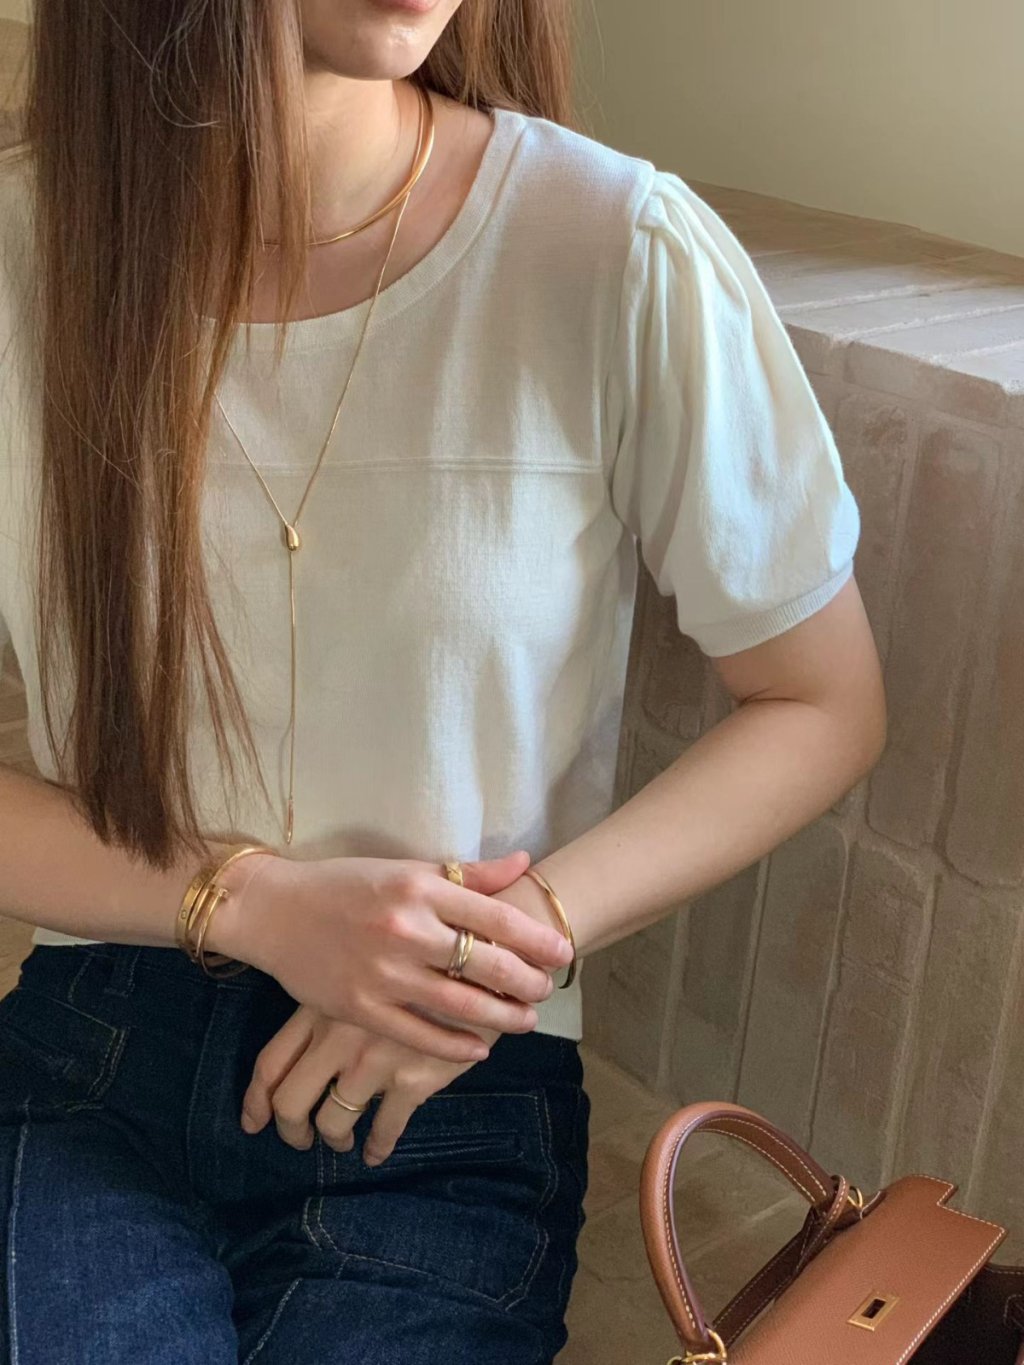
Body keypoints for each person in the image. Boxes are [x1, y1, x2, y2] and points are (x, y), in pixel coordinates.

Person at [0, 1, 886, 1361]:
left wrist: (505, 940)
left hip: (441, 1088)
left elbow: (822, 700)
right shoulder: (24, 252)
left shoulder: (615, 245)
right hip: (99, 1050)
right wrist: (256, 903)